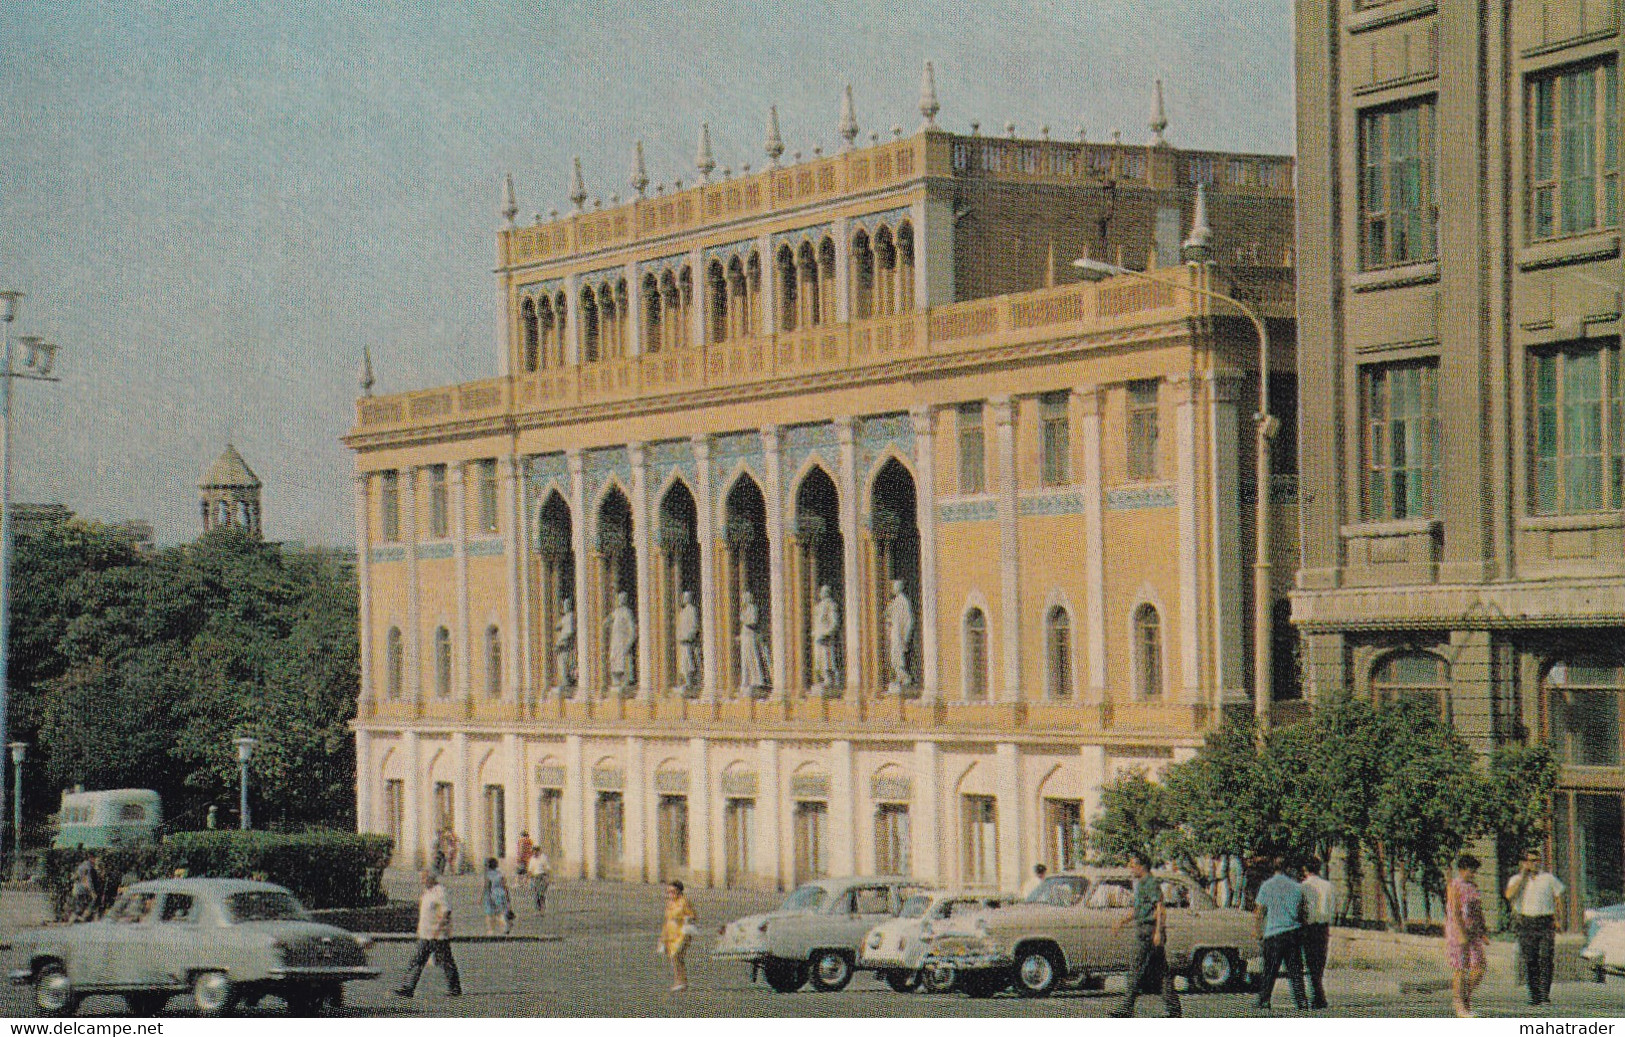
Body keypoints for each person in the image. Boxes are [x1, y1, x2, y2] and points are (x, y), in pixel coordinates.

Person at [1109, 850, 1181, 1017]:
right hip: (1145, 929)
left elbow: (1160, 908)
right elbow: (1139, 910)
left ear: (1142, 866)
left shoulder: (1150, 883)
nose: (1131, 868)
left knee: (1135, 969)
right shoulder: (1141, 884)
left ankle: (1127, 1007)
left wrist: (1158, 932)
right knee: (1161, 973)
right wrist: (1122, 921)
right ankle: (1174, 1009)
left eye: (1133, 865)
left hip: (1148, 933)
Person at [1505, 847, 1565, 1006]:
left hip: (1545, 921)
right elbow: (1509, 895)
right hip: (1526, 921)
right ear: (1524, 863)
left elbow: (1558, 899)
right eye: (1531, 861)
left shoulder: (1548, 878)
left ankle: (1545, 994)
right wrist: (1524, 876)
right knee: (1530, 959)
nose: (1535, 864)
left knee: (1546, 957)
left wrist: (1558, 919)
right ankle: (1535, 995)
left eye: (1538, 860)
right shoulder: (1516, 879)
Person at [395, 871, 462, 999]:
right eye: (421, 878)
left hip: (437, 935)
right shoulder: (428, 892)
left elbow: (446, 911)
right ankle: (409, 988)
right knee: (418, 961)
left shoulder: (440, 891)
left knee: (446, 961)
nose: (422, 881)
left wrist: (439, 928)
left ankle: (455, 988)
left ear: (432, 878)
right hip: (426, 934)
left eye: (424, 878)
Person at [1253, 856, 1308, 1011]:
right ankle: (1301, 1001)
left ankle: (1264, 1000)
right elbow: (1302, 912)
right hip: (1292, 932)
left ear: (1273, 868)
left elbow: (1260, 912)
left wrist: (1258, 932)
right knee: (1295, 970)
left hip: (1273, 933)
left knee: (1269, 970)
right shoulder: (1296, 887)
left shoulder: (1266, 886)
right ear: (1288, 868)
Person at [1446, 854, 1489, 1018]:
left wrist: (1483, 930)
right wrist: (1460, 933)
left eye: (1474, 871)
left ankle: (1465, 997)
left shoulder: (1473, 887)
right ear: (1461, 870)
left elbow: (1478, 910)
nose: (1473, 874)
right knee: (1460, 969)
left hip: (1473, 931)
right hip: (1458, 931)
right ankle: (1460, 1006)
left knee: (1479, 966)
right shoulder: (1454, 885)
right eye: (1470, 871)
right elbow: (1455, 912)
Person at [1299, 856, 1337, 1010]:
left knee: (1310, 962)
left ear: (1305, 870)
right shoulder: (1328, 886)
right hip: (1323, 927)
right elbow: (1333, 907)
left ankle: (1317, 995)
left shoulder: (1303, 887)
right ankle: (1318, 995)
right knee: (1320, 962)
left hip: (1308, 927)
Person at [659, 879, 699, 993]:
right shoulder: (670, 903)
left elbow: (693, 915)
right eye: (669, 892)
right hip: (671, 933)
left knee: (677, 956)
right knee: (675, 958)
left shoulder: (684, 902)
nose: (671, 894)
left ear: (679, 891)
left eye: (673, 891)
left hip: (682, 933)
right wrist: (663, 937)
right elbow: (667, 919)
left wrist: (684, 918)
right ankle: (681, 982)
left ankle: (680, 982)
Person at [884, 579, 914, 690]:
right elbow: (887, 614)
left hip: (899, 634)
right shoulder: (896, 601)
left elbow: (909, 620)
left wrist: (906, 636)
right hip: (894, 632)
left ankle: (905, 678)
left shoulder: (903, 601)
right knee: (894, 657)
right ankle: (900, 677)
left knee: (898, 657)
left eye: (894, 587)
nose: (892, 589)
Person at [738, 590, 769, 694]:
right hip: (745, 636)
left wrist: (744, 620)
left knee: (752, 657)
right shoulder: (745, 609)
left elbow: (753, 621)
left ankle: (757, 680)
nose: (742, 600)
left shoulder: (752, 608)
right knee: (745, 659)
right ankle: (746, 680)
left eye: (744, 598)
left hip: (751, 635)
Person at [606, 590, 637, 692]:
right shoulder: (617, 612)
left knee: (623, 666)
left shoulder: (627, 612)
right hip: (615, 643)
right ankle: (616, 684)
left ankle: (624, 684)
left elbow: (633, 630)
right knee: (614, 665)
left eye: (622, 598)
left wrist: (628, 644)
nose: (620, 600)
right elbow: (608, 619)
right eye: (619, 598)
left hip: (623, 644)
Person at [812, 584, 841, 691]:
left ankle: (830, 680)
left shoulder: (831, 605)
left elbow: (835, 622)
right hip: (819, 637)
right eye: (822, 591)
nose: (822, 593)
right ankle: (824, 679)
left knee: (828, 660)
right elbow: (817, 622)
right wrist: (815, 632)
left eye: (825, 591)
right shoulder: (819, 606)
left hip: (826, 638)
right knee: (819, 660)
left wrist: (827, 633)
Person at [675, 590, 701, 693]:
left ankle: (691, 682)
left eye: (687, 597)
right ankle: (687, 681)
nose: (685, 599)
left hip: (689, 641)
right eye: (684, 597)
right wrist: (679, 636)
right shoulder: (683, 611)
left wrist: (689, 636)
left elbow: (695, 626)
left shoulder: (692, 610)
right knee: (684, 663)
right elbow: (680, 626)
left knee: (690, 662)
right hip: (683, 641)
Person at [482, 857, 513, 935]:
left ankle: (490, 930)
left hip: (492, 894)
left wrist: (483, 897)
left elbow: (487, 886)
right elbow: (505, 885)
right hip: (502, 893)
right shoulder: (501, 873)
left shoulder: (488, 874)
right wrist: (508, 896)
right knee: (501, 913)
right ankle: (504, 928)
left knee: (490, 914)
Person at [67, 856, 102, 922]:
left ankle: (74, 919)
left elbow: (73, 878)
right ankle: (80, 918)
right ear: (92, 858)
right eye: (96, 860)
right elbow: (89, 880)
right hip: (83, 890)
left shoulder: (81, 866)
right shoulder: (89, 867)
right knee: (88, 904)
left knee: (80, 906)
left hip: (77, 889)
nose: (96, 862)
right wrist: (92, 891)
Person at [554, 598, 577, 689]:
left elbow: (570, 632)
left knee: (566, 663)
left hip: (566, 644)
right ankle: (565, 682)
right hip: (563, 644)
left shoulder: (570, 616)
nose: (565, 607)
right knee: (563, 663)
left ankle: (567, 683)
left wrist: (561, 642)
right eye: (564, 605)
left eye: (566, 605)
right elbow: (557, 627)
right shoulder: (566, 617)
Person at [530, 850, 551, 915]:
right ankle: (537, 910)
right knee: (536, 895)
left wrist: (547, 878)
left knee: (541, 894)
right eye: (533, 853)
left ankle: (543, 909)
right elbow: (530, 869)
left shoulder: (543, 858)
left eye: (536, 852)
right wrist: (529, 878)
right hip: (535, 877)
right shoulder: (532, 859)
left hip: (542, 877)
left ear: (538, 852)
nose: (535, 854)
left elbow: (547, 868)